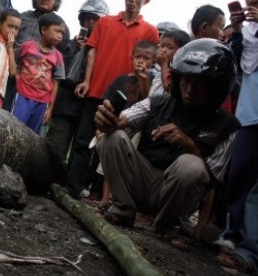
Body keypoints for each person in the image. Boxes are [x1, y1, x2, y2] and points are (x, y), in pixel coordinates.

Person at [94, 39, 240, 233]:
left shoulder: (228, 126)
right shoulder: (158, 102)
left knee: (191, 165)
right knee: (113, 137)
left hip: (177, 196)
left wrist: (188, 145)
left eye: (200, 84)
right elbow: (123, 120)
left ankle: (165, 225)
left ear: (216, 88)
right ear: (178, 80)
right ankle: (123, 209)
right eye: (187, 80)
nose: (190, 90)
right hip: (140, 181)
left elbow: (212, 178)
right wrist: (108, 119)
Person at [67, 0, 158, 199]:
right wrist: (86, 81)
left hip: (126, 99)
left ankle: (98, 194)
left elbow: (150, 64)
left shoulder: (150, 31)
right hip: (97, 89)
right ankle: (72, 189)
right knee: (83, 140)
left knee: (109, 144)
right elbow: (92, 52)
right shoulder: (105, 22)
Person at [215, 0, 258, 260]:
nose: (251, 5)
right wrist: (240, 30)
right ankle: (233, 235)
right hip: (248, 114)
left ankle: (250, 249)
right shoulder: (248, 34)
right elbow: (239, 67)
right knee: (240, 174)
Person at [46, 0, 109, 163]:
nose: (91, 22)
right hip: (65, 106)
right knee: (55, 148)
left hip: (86, 109)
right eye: (87, 18)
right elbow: (59, 72)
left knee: (79, 152)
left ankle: (68, 185)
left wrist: (89, 55)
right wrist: (76, 50)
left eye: (95, 19)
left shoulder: (104, 52)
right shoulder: (67, 45)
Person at [2, 0, 70, 112]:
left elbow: (60, 65)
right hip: (10, 76)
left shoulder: (61, 29)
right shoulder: (21, 18)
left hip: (37, 90)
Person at [11, 12, 65, 134]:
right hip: (22, 96)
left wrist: (50, 108)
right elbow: (13, 59)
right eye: (57, 31)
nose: (60, 36)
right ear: (44, 29)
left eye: (62, 33)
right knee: (14, 129)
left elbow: (56, 82)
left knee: (32, 135)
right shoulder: (28, 46)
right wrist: (17, 75)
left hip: (42, 102)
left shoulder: (58, 57)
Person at [149, 29, 191, 96]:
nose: (163, 50)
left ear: (181, 51)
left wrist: (163, 65)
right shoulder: (159, 69)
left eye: (170, 47)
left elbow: (169, 88)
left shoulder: (180, 71)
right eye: (162, 46)